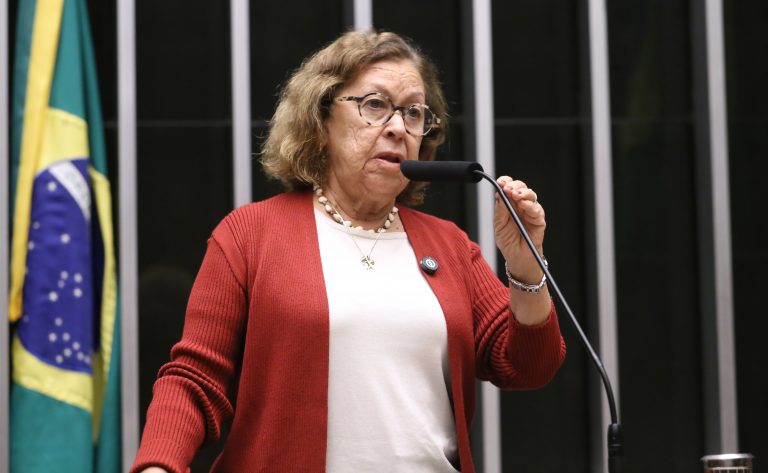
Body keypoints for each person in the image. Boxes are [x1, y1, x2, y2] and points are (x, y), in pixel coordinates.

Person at [132, 30, 565, 473]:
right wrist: (157, 465)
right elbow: (195, 380)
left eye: (414, 113)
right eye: (375, 105)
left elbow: (529, 366)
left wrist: (524, 264)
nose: (397, 127)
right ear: (321, 121)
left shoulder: (449, 245)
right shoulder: (250, 236)